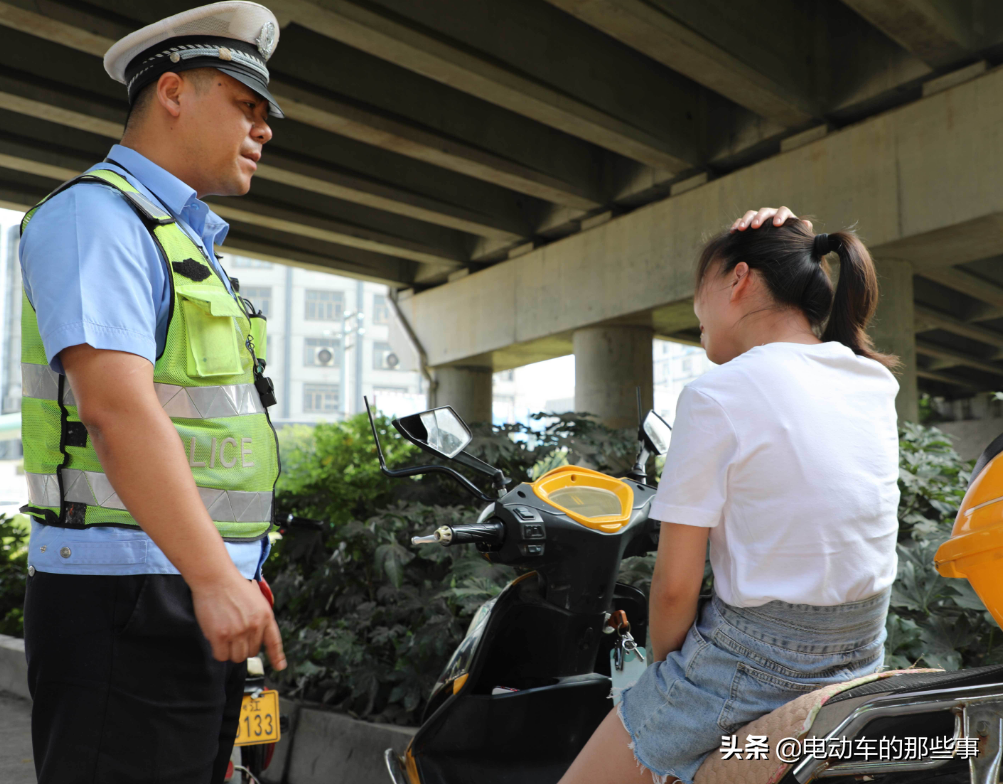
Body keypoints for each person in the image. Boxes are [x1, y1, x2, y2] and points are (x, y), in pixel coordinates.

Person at [19, 3, 287, 782]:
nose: (264, 130)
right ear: (173, 92)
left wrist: (230, 578)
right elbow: (114, 409)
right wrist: (211, 578)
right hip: (127, 599)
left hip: (189, 587)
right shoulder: (95, 219)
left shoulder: (177, 241)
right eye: (246, 105)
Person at [559, 206, 901, 784]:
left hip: (750, 671)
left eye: (700, 290)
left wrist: (662, 684)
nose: (695, 311)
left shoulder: (716, 393)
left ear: (738, 279)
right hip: (862, 659)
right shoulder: (873, 380)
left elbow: (672, 589)